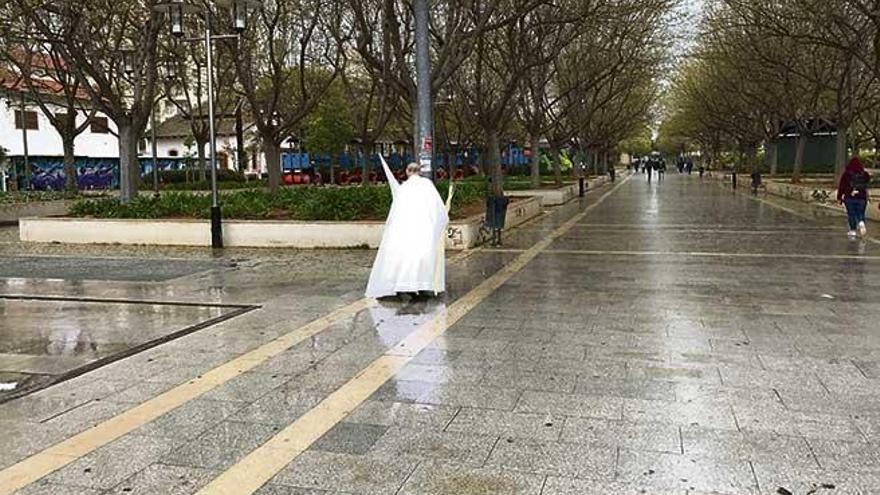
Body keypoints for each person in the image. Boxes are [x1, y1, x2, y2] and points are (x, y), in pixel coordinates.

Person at [366, 158, 451, 298]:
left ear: (407, 172)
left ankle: (403, 284)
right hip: (424, 229)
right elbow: (439, 208)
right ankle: (422, 284)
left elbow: (395, 212)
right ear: (420, 172)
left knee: (405, 257)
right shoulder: (427, 185)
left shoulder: (403, 188)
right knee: (423, 257)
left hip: (404, 230)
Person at [837, 156, 871, 240]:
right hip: (862, 197)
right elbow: (867, 183)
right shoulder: (864, 174)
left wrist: (839, 197)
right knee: (861, 213)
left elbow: (841, 186)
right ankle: (861, 222)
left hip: (849, 197)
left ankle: (853, 230)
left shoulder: (846, 174)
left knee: (851, 214)